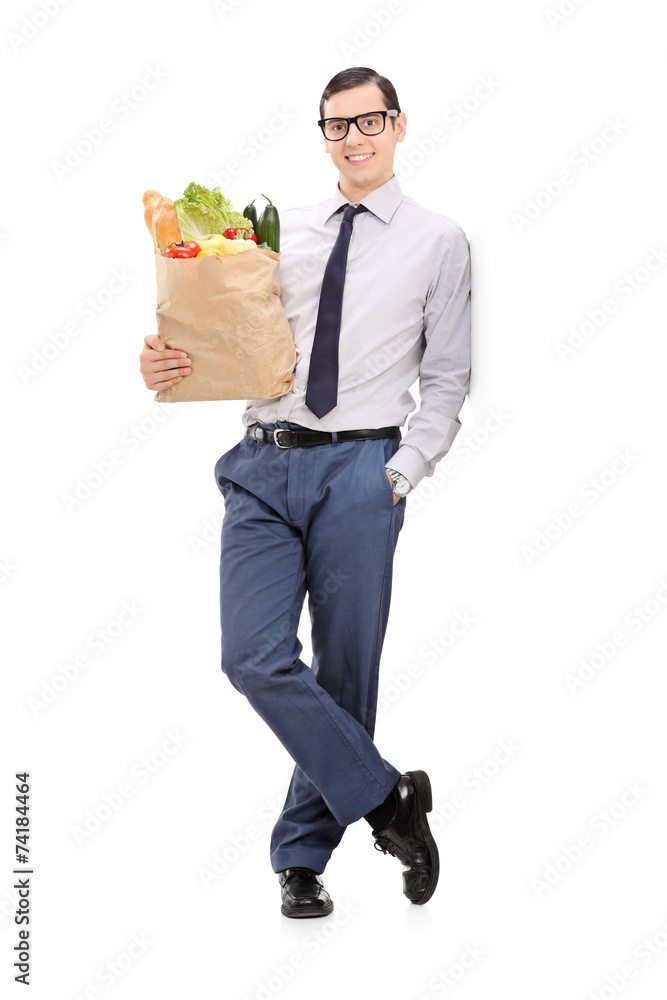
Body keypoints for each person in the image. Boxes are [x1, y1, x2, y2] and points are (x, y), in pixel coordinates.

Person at [139, 66, 471, 918]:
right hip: (262, 464)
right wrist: (165, 362)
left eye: (369, 121)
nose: (354, 138)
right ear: (322, 135)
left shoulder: (439, 241)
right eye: (336, 125)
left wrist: (401, 471)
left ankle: (300, 855)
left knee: (345, 669)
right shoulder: (276, 236)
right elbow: (232, 339)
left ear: (398, 125)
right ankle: (391, 802)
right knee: (251, 658)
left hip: (361, 467)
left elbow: (446, 378)